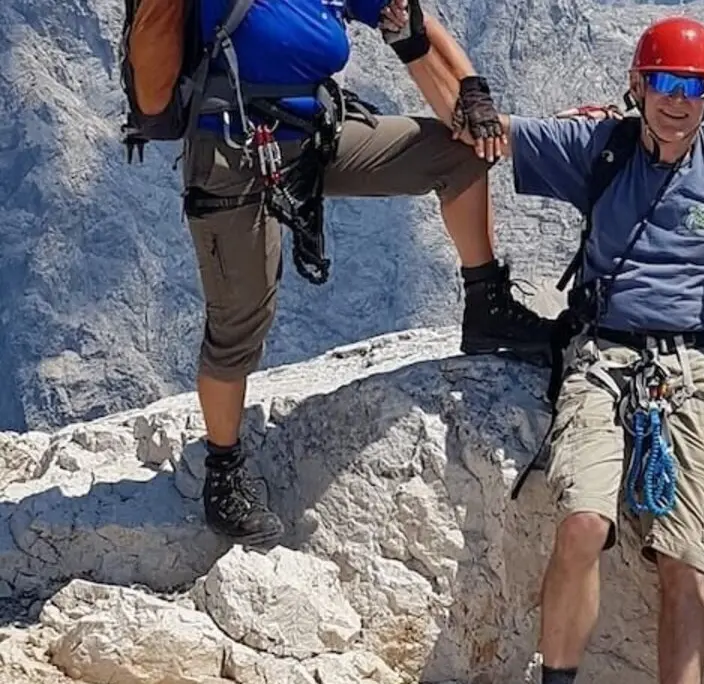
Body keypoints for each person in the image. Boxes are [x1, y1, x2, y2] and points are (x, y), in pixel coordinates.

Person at [422, 14, 704, 684]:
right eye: (666, 82)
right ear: (638, 84)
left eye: (696, 85)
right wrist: (414, 42)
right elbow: (479, 131)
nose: (680, 101)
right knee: (582, 524)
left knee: (684, 560)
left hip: (698, 364)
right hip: (603, 356)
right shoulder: (601, 146)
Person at [173, 0, 553, 548]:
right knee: (240, 321)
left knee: (457, 154)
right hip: (232, 151)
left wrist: (470, 90)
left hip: (312, 136)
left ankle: (487, 305)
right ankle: (223, 472)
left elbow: (411, 18)